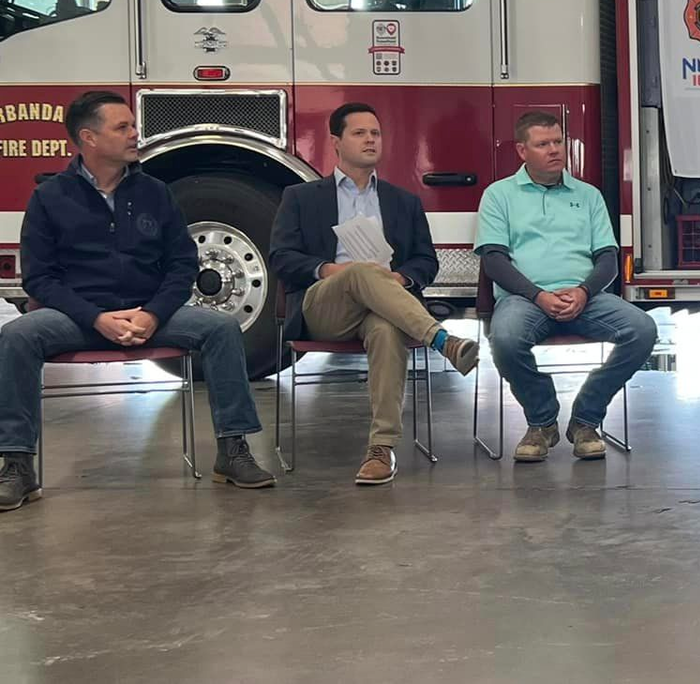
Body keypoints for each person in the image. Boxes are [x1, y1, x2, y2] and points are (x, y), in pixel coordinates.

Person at [0, 91, 275, 512]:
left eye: (132, 125)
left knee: (220, 328)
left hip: (151, 313)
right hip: (79, 317)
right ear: (89, 138)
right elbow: (40, 278)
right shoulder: (50, 197)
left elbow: (182, 265)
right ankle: (18, 465)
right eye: (123, 127)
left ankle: (233, 450)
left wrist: (153, 313)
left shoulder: (155, 193)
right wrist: (96, 318)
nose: (135, 134)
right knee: (17, 336)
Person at [269, 102, 480, 486]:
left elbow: (425, 261)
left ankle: (381, 449)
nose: (370, 140)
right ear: (335, 142)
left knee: (385, 328)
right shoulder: (300, 197)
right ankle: (441, 340)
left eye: (376, 133)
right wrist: (328, 270)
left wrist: (400, 280)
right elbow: (281, 257)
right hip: (324, 305)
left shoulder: (403, 201)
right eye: (359, 133)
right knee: (362, 272)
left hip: (382, 303)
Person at [476, 111, 657, 463]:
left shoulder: (588, 195)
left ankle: (586, 418)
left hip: (585, 298)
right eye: (543, 144)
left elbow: (607, 258)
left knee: (643, 329)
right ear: (522, 150)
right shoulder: (499, 195)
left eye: (558, 141)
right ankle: (541, 421)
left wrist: (585, 291)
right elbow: (494, 261)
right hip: (524, 299)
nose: (554, 150)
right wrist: (538, 296)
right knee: (506, 339)